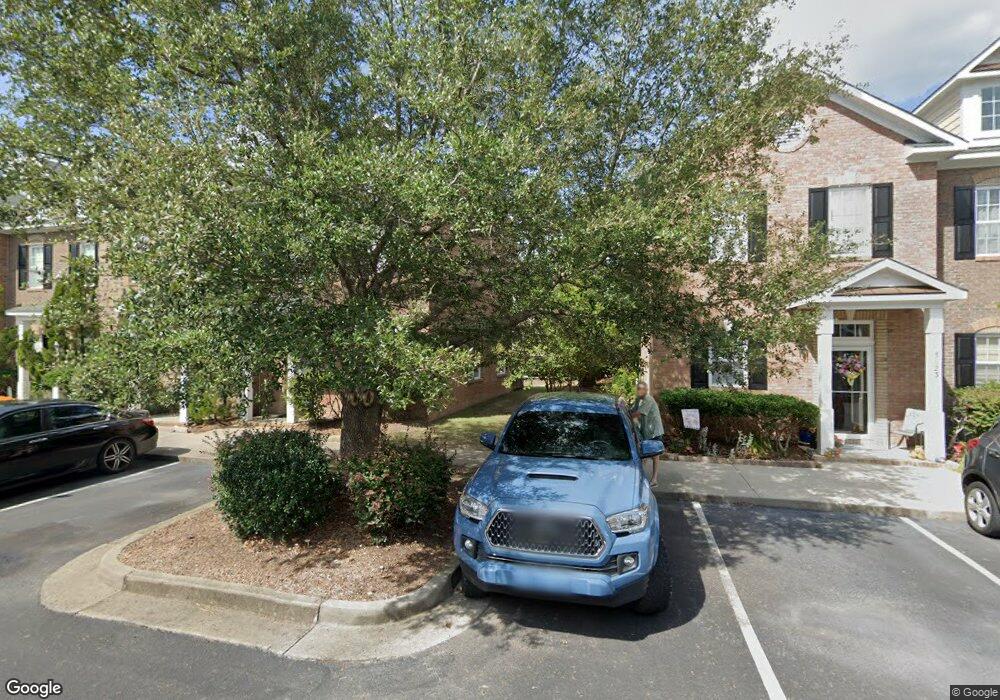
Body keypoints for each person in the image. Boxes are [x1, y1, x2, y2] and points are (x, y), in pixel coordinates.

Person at [630, 381, 664, 486]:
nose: (639, 391)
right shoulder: (638, 399)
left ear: (646, 390)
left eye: (642, 389)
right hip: (646, 431)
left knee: (655, 454)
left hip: (654, 431)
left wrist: (627, 416)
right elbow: (631, 410)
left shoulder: (648, 399)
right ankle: (640, 476)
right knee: (644, 452)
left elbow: (638, 414)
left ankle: (654, 479)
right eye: (638, 389)